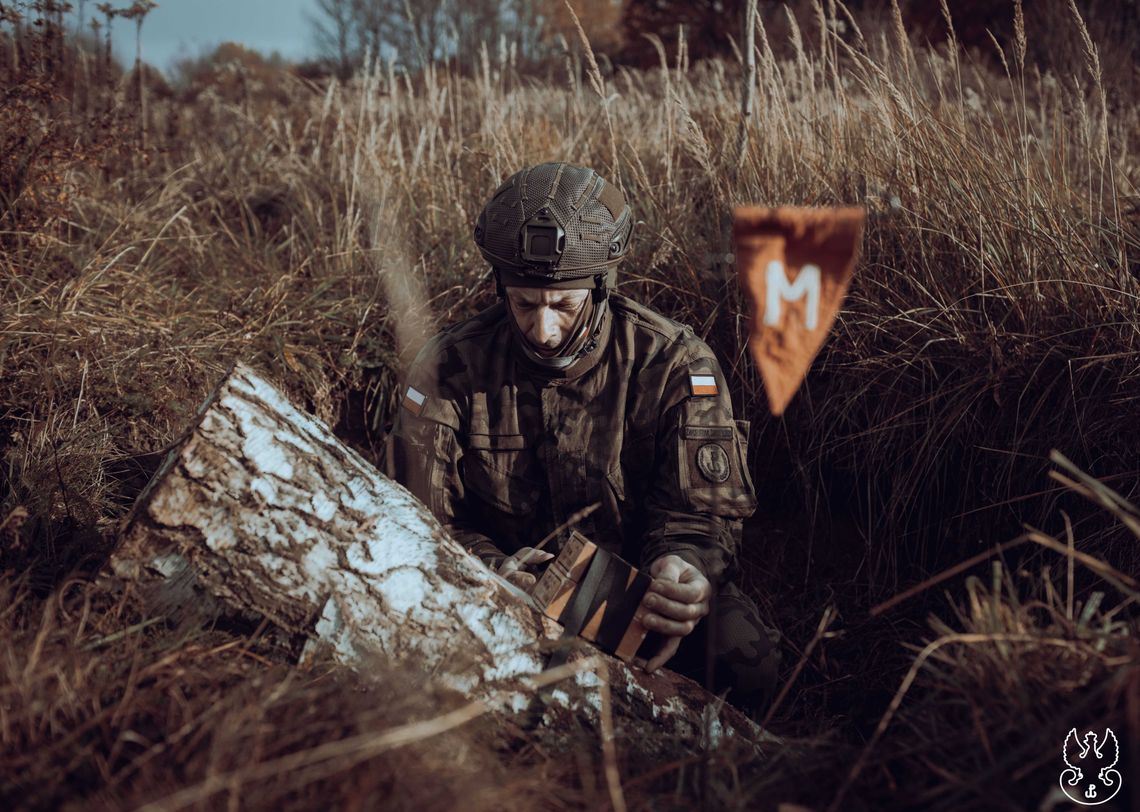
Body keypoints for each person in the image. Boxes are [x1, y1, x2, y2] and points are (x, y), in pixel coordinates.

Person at [384, 162, 780, 714]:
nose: (542, 330)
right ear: (501, 288)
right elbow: (419, 519)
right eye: (523, 304)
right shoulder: (447, 369)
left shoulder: (674, 363)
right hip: (498, 592)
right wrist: (492, 569)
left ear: (600, 287)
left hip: (636, 595)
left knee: (748, 662)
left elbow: (701, 514)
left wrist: (684, 569)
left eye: (563, 307)